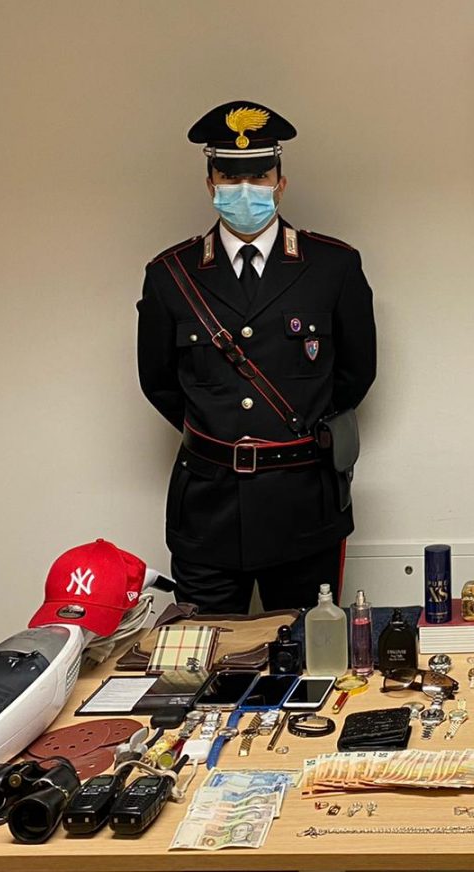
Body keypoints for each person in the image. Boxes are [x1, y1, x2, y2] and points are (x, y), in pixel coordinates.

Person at [137, 100, 376, 611]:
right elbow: (159, 382)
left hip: (303, 502)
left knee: (308, 651)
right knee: (203, 652)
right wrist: (218, 429)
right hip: (207, 505)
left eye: (259, 176)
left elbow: (355, 373)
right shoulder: (170, 276)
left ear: (280, 183)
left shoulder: (333, 267)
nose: (244, 188)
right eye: (230, 176)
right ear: (210, 184)